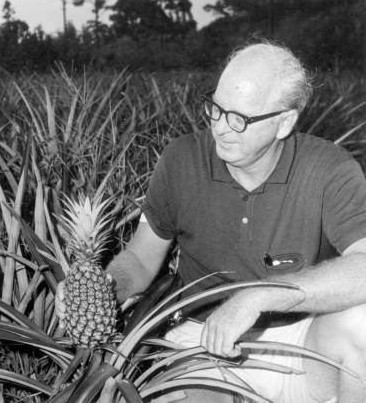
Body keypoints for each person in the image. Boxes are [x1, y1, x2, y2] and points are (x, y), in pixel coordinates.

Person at [71, 41, 366, 403]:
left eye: (240, 118)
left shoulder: (329, 168)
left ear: (284, 121)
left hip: (298, 341)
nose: (220, 128)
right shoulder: (181, 160)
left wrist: (259, 296)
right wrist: (99, 292)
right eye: (216, 108)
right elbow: (141, 260)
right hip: (200, 345)